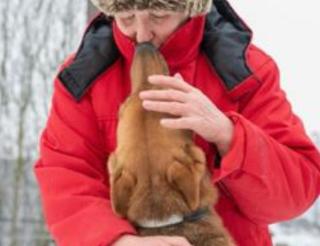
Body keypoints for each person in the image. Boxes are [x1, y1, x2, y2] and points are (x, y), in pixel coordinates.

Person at [34, 0, 320, 245]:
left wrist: (228, 135)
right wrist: (115, 239)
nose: (142, 35)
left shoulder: (247, 72)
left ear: (189, 6)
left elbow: (297, 192)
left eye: (158, 15)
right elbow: (66, 179)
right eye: (126, 16)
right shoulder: (82, 79)